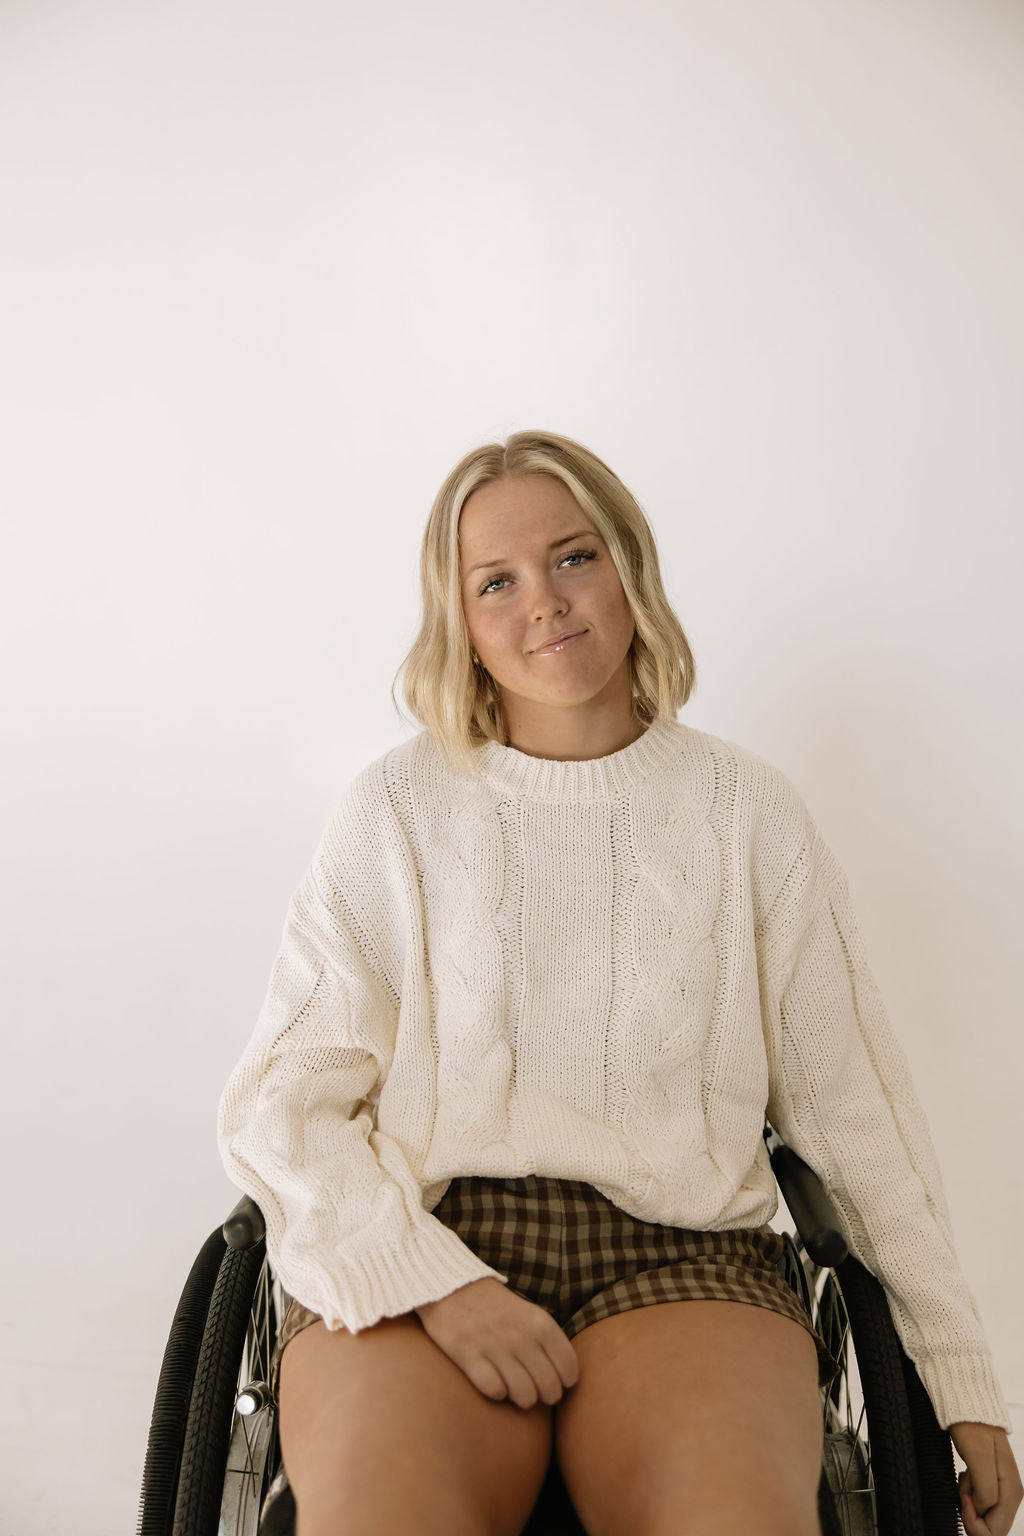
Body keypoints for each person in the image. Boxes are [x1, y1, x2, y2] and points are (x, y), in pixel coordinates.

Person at [217, 429, 1019, 1536]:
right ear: (460, 624)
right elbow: (283, 1103)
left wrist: (958, 1373)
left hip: (686, 1253)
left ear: (628, 566)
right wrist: (431, 1280)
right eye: (496, 582)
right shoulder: (395, 811)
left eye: (572, 557)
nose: (544, 601)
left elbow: (854, 1118)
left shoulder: (747, 814)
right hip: (434, 1232)